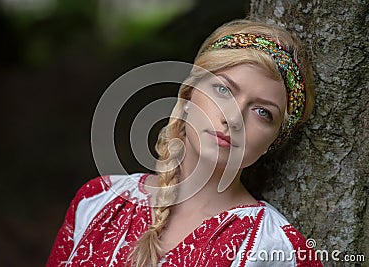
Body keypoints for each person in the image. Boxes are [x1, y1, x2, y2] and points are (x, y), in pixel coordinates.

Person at [46, 19, 323, 266]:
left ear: (273, 142)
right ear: (189, 94)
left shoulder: (280, 250)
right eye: (223, 89)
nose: (233, 118)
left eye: (263, 112)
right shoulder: (99, 200)